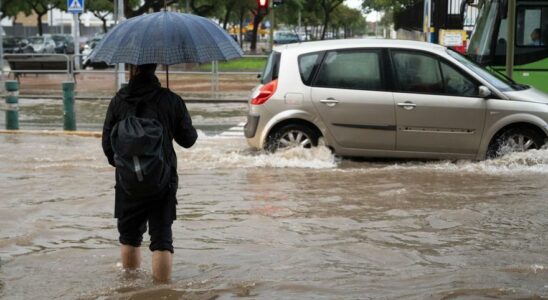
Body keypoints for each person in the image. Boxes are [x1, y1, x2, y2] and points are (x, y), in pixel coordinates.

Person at [102, 64, 197, 282]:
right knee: (161, 238)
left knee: (129, 237)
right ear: (155, 66)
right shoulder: (170, 100)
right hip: (163, 180)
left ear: (131, 68)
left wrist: (129, 167)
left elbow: (107, 146)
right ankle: (162, 293)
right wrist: (173, 111)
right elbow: (189, 140)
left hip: (127, 183)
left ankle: (130, 290)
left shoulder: (118, 100)